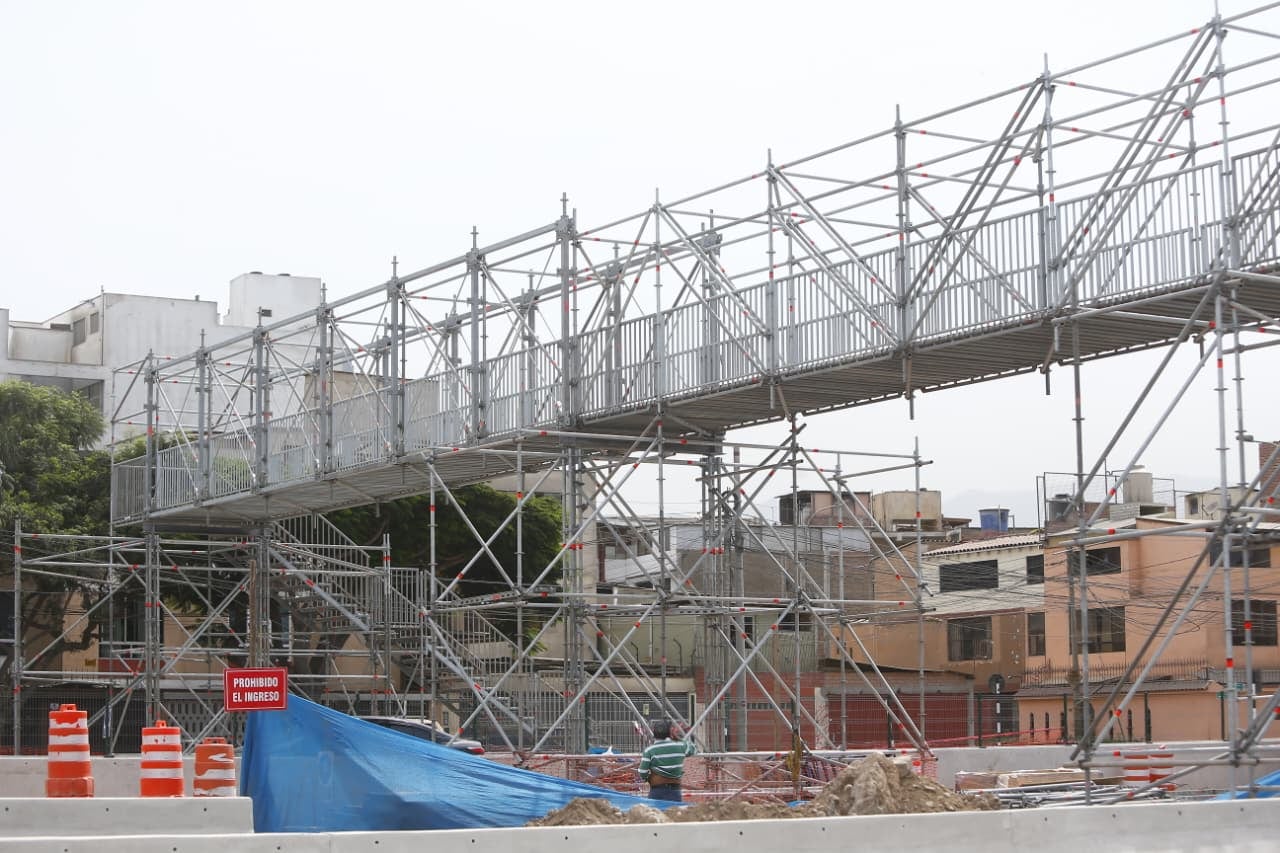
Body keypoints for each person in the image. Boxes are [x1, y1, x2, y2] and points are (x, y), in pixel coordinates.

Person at [637, 720, 695, 802]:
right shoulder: (680, 746)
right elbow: (692, 748)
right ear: (669, 732)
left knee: (656, 813)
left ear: (654, 732)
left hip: (656, 790)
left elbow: (642, 772)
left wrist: (647, 778)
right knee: (673, 813)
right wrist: (677, 738)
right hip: (675, 791)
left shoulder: (649, 750)